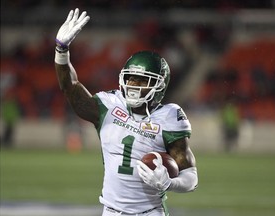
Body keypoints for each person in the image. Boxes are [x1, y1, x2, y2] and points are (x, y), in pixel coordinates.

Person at [54, 8, 198, 216]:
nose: (133, 85)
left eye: (142, 81)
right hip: (111, 211)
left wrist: (170, 183)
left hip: (150, 212)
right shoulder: (108, 106)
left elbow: (191, 177)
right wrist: (61, 50)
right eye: (130, 78)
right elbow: (70, 86)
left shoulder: (169, 117)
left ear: (159, 85)